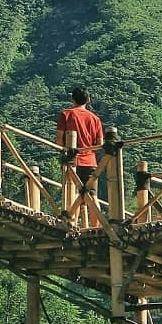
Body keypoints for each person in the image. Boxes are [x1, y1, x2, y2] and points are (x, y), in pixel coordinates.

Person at [56, 86, 104, 225]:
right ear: (88, 100)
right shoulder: (95, 119)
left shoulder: (66, 114)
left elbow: (59, 140)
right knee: (92, 195)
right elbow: (99, 143)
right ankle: (97, 227)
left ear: (72, 98)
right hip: (90, 162)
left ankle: (73, 224)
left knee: (73, 195)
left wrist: (64, 151)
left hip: (72, 162)